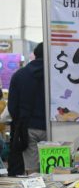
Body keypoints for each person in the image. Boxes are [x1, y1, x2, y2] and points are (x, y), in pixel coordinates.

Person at [7, 42, 46, 174]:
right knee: (53, 167)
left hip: (28, 127)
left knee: (32, 168)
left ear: (35, 54)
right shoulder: (56, 74)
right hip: (53, 127)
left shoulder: (19, 75)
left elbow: (12, 107)